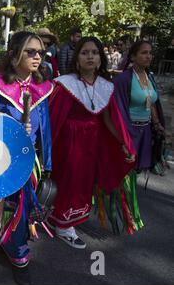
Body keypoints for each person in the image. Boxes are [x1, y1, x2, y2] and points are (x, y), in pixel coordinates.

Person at [48, 37, 137, 246]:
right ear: (77, 59)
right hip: (69, 141)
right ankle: (63, 224)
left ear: (100, 58)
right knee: (69, 179)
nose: (90, 56)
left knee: (84, 181)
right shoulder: (65, 84)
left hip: (92, 141)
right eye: (85, 52)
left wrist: (122, 142)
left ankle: (67, 218)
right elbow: (55, 117)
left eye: (95, 53)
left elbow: (107, 119)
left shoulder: (106, 86)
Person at [0, 31, 53, 285]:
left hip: (29, 160)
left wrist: (46, 163)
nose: (37, 57)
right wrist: (9, 131)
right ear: (14, 55)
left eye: (40, 53)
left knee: (21, 209)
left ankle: (16, 248)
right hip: (0, 158)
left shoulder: (42, 88)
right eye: (30, 51)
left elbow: (44, 126)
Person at [114, 40, 167, 176]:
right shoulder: (123, 80)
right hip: (129, 133)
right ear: (132, 57)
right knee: (122, 173)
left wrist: (156, 123)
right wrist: (125, 139)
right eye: (144, 53)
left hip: (145, 131)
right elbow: (118, 111)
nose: (148, 56)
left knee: (134, 172)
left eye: (150, 53)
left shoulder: (149, 77)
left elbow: (149, 100)